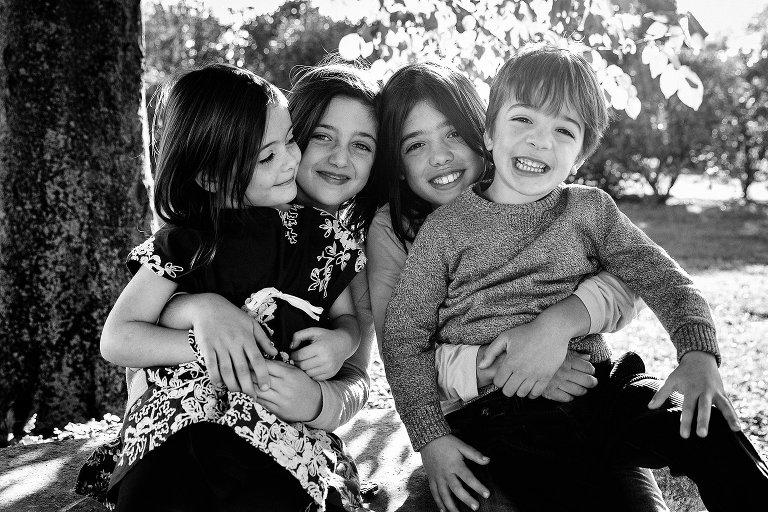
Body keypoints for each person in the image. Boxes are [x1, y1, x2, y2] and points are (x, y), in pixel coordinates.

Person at [382, 43, 768, 512]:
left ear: (582, 154)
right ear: (489, 131)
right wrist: (431, 439)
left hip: (598, 392)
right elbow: (404, 338)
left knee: (710, 427)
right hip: (496, 421)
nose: (539, 141)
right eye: (523, 119)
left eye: (562, 130)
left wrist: (698, 352)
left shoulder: (591, 210)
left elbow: (663, 276)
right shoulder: (444, 229)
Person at [368, 60, 668, 512]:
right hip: (476, 422)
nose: (440, 156)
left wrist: (555, 326)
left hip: (581, 400)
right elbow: (404, 347)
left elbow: (630, 280)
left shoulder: (534, 189)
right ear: (398, 162)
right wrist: (511, 367)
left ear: (482, 132)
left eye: (452, 133)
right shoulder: (393, 231)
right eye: (416, 144)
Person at [77, 63, 367, 512]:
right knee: (158, 486)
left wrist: (340, 341)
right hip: (178, 423)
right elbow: (118, 339)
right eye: (267, 156)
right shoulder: (186, 241)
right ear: (211, 176)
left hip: (277, 427)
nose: (291, 160)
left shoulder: (321, 236)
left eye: (289, 140)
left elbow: (349, 319)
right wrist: (208, 342)